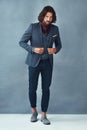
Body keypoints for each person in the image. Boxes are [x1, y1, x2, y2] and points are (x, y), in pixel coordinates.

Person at [19, 5, 62, 125]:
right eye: (47, 16)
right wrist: (33, 49)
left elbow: (59, 46)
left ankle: (44, 115)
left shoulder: (55, 29)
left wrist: (55, 50)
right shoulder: (33, 27)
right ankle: (34, 112)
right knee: (32, 88)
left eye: (51, 17)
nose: (48, 19)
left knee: (46, 89)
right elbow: (22, 42)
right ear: (43, 16)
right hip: (34, 63)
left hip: (47, 63)